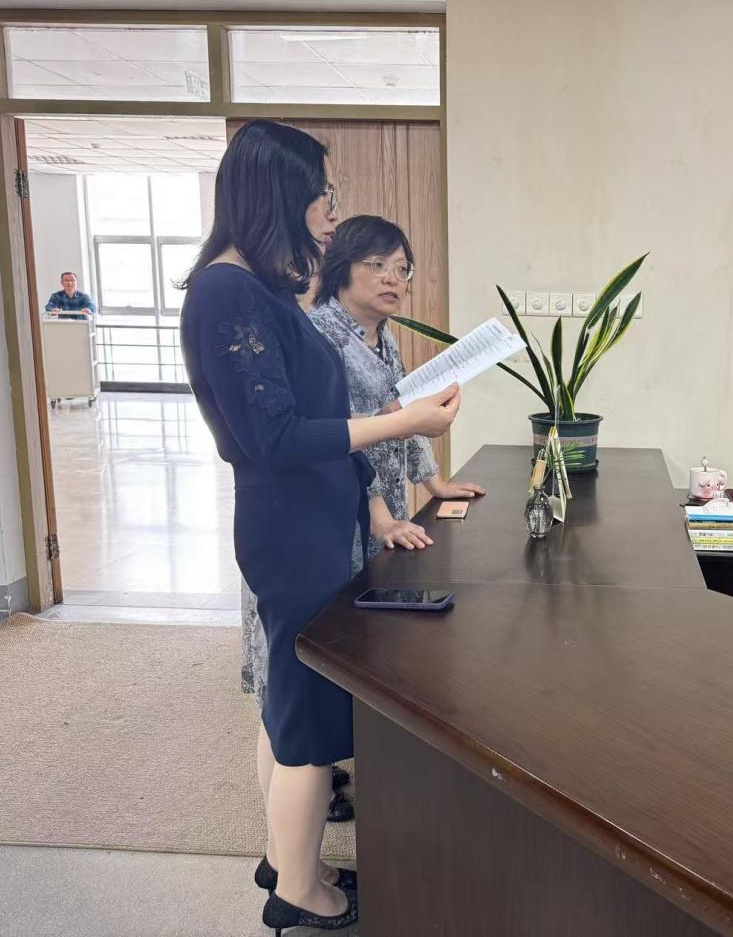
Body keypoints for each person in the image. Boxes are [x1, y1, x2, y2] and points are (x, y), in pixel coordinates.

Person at [179, 119, 461, 934]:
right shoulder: (226, 293)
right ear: (280, 194)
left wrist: (375, 494)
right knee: (304, 716)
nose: (332, 214)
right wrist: (403, 422)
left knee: (290, 701)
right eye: (323, 196)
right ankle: (299, 891)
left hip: (314, 518)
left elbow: (313, 418)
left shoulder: (264, 291)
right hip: (289, 527)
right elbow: (274, 438)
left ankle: (287, 858)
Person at [310, 214, 486, 552]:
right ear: (341, 267)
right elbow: (336, 438)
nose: (393, 279)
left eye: (402, 269)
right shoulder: (319, 335)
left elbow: (405, 410)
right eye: (378, 265)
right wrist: (381, 520)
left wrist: (435, 483)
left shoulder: (380, 333)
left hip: (387, 514)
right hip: (342, 518)